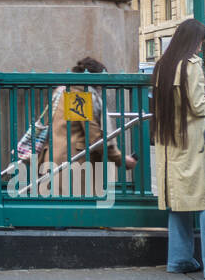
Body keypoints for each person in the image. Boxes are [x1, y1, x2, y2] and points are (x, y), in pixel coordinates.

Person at [151, 20, 205, 279]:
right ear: (193, 41)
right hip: (195, 140)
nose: (200, 46)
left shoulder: (162, 66)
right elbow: (198, 106)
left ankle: (179, 259)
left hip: (170, 140)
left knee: (179, 202)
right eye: (200, 41)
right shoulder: (192, 65)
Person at [39, 57, 137, 196]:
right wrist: (121, 159)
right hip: (72, 165)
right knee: (77, 212)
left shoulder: (62, 91)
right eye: (100, 83)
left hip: (57, 162)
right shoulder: (77, 96)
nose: (101, 89)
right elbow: (95, 137)